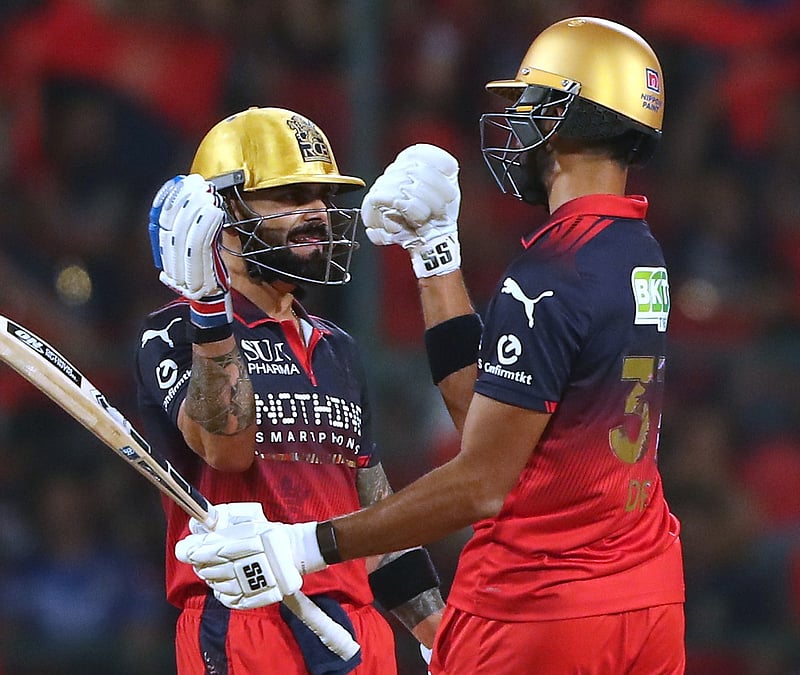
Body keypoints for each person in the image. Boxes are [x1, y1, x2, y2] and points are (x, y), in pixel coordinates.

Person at [175, 17, 686, 674]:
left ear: (572, 119)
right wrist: (435, 256)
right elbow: (493, 422)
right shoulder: (639, 253)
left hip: (536, 609)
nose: (520, 125)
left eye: (533, 106)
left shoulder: (550, 275)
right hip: (648, 596)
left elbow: (481, 482)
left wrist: (304, 544)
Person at [134, 106, 445, 675]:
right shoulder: (175, 331)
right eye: (290, 196)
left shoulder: (340, 348)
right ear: (221, 211)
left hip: (359, 628)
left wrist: (440, 637)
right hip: (245, 623)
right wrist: (208, 306)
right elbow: (227, 449)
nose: (319, 214)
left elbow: (376, 520)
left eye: (321, 197)